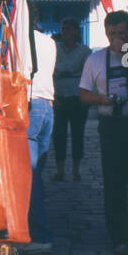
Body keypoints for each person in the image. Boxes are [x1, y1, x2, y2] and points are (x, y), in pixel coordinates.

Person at [78, 11, 128, 255]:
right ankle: (117, 234)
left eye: (121, 34)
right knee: (114, 182)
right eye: (112, 34)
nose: (116, 39)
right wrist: (102, 99)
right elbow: (84, 95)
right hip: (110, 125)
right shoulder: (95, 59)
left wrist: (127, 57)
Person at [22, 27, 58, 254]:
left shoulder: (21, 37)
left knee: (30, 176)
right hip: (47, 104)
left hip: (32, 102)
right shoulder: (49, 41)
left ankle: (38, 232)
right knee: (35, 175)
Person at [51, 19, 90, 182]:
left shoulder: (84, 51)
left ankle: (76, 170)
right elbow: (51, 71)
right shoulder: (54, 49)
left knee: (77, 134)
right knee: (58, 135)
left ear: (75, 31)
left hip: (77, 97)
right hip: (59, 96)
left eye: (68, 28)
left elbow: (86, 74)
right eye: (63, 28)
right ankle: (59, 170)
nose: (65, 31)